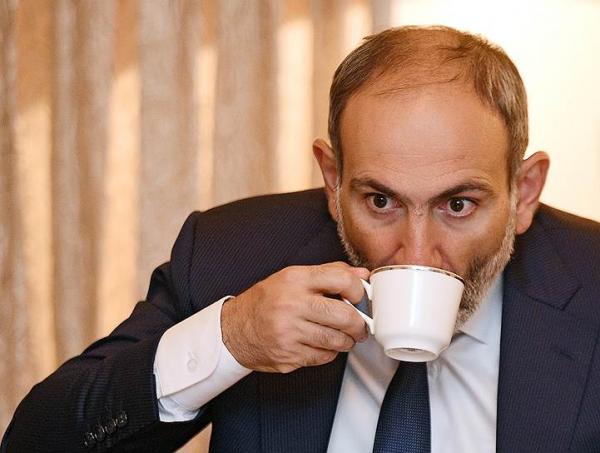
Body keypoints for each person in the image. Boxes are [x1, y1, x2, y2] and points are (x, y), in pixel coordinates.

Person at [3, 25, 600, 453]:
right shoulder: (234, 253)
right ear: (333, 181)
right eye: (381, 201)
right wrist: (231, 339)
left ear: (523, 193)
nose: (416, 253)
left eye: (458, 205)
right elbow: (35, 439)